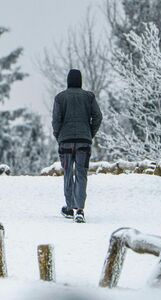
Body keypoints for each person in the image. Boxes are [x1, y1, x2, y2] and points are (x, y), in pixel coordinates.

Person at [51, 69, 102, 223]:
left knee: (68, 173)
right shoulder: (89, 97)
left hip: (65, 142)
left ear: (68, 81)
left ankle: (69, 207)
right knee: (81, 173)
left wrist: (59, 137)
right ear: (80, 80)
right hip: (84, 142)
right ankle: (79, 210)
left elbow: (55, 121)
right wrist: (89, 133)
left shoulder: (60, 97)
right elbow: (98, 117)